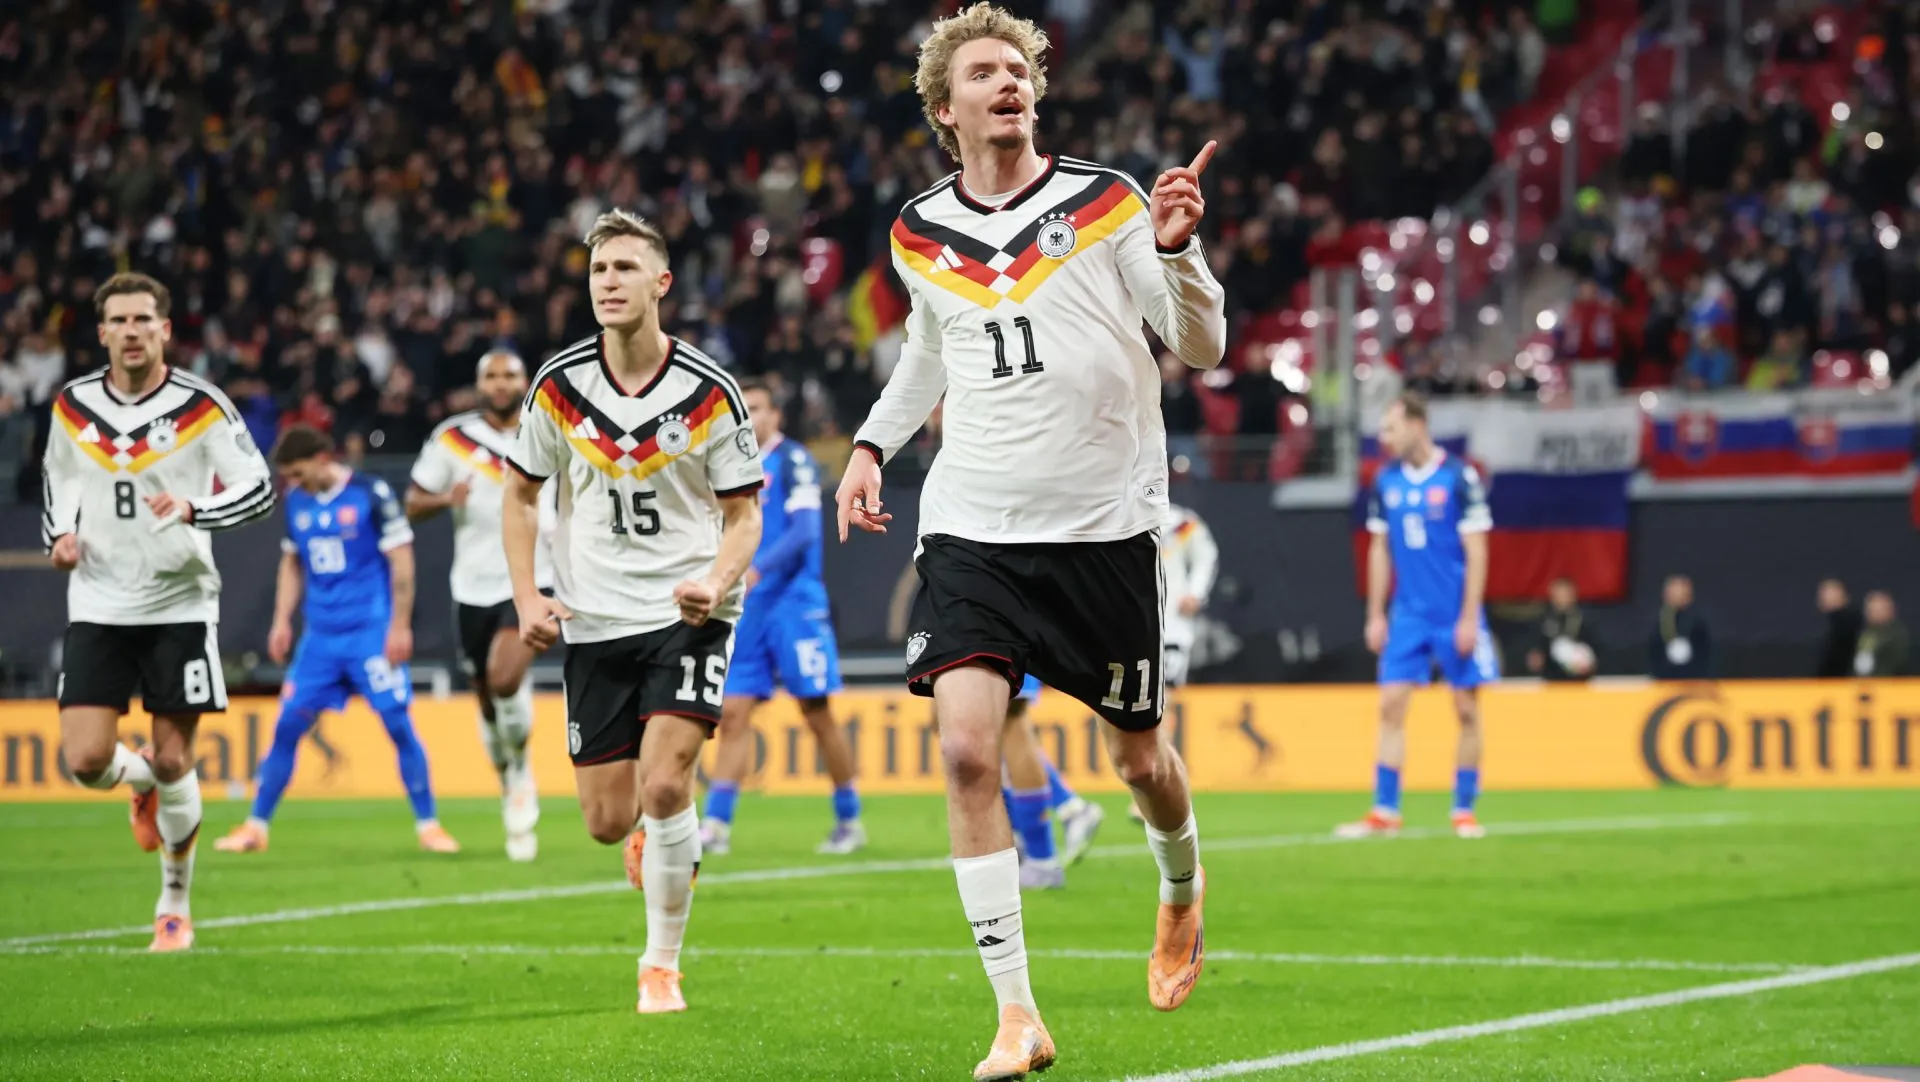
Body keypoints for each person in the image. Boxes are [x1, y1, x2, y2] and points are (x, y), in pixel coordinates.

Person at [832, 5, 1227, 1074]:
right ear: (944, 105)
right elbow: (929, 349)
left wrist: (1181, 255)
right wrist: (871, 444)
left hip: (1104, 526)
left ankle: (1182, 890)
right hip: (973, 522)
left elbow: (1201, 343)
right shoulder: (918, 229)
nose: (1009, 82)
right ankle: (1017, 1013)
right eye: (985, 72)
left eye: (1021, 69)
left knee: (1140, 761)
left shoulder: (1107, 202)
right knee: (966, 748)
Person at [502, 209, 763, 1016]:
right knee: (609, 822)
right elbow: (519, 495)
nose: (607, 283)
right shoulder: (559, 386)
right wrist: (527, 597)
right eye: (597, 272)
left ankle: (660, 964)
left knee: (664, 779)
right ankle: (655, 835)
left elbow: (746, 515)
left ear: (661, 283)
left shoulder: (709, 391)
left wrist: (716, 581)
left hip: (688, 611)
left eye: (622, 269)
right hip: (594, 617)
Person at [45, 272, 277, 952]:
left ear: (165, 329)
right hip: (97, 599)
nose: (132, 331)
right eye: (119, 320)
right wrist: (58, 536)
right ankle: (137, 781)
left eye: (145, 319)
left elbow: (258, 486)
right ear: (102, 331)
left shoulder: (201, 406)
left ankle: (174, 903)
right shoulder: (74, 405)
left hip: (178, 600)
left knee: (177, 760)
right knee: (86, 759)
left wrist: (195, 508)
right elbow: (58, 478)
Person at [217, 425, 459, 855]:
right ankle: (256, 826)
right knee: (288, 725)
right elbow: (292, 564)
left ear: (321, 458)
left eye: (297, 472)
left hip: (370, 633)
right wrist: (281, 621)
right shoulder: (297, 502)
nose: (293, 482)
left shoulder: (371, 493)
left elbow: (401, 560)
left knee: (398, 724)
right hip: (320, 640)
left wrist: (399, 625)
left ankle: (429, 826)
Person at [701, 377, 863, 856]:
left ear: (776, 415)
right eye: (743, 410)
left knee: (816, 712)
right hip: (748, 606)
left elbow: (806, 532)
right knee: (732, 713)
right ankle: (717, 825)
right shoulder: (727, 468)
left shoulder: (792, 461)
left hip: (793, 602)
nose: (751, 418)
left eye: (758, 408)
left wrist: (756, 568)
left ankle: (849, 818)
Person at [406, 350, 553, 862]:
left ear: (525, 381)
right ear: (478, 384)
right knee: (487, 700)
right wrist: (446, 500)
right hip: (472, 584)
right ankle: (512, 770)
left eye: (509, 375)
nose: (500, 383)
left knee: (505, 676)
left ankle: (523, 777)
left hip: (535, 580)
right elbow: (413, 502)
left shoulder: (548, 427)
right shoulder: (453, 438)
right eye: (491, 376)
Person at [1339, 392, 1497, 841]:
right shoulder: (1385, 482)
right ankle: (1385, 810)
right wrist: (1376, 614)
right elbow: (1379, 549)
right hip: (1407, 614)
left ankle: (1463, 809)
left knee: (1466, 709)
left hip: (1453, 614)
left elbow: (1477, 550)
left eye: (1390, 428)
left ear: (1417, 424)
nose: (1384, 438)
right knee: (1390, 705)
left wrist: (1469, 617)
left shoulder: (1458, 477)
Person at [1527, 576, 1597, 682]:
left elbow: (1595, 649)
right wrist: (1536, 657)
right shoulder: (1542, 619)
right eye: (1559, 593)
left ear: (1574, 595)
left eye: (1565, 593)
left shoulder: (1585, 619)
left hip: (1579, 682)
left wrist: (1589, 663)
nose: (1562, 597)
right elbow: (1537, 649)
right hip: (1551, 681)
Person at [1648, 574, 1712, 679]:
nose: (1677, 594)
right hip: (1663, 680)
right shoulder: (1659, 621)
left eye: (1681, 590)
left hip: (1694, 680)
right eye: (1673, 591)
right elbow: (1653, 654)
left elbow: (1705, 656)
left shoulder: (1698, 622)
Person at [1814, 578, 1862, 679]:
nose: (1825, 597)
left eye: (1830, 593)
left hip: (1843, 684)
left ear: (1842, 594)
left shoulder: (1850, 622)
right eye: (1823, 594)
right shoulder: (1825, 623)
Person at [1855, 591, 1910, 676]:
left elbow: (1895, 664)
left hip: (1888, 685)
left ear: (1890, 610)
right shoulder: (1865, 634)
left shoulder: (1897, 635)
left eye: (1879, 609)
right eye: (1871, 610)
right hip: (1860, 684)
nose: (1875, 613)